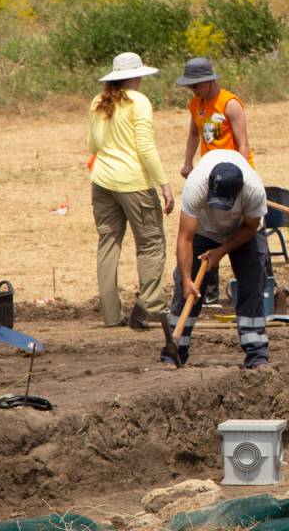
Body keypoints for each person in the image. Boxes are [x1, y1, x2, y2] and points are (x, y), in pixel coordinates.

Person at [90, 52, 174, 329]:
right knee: (151, 243)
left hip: (101, 181)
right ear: (135, 76)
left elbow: (94, 144)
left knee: (108, 243)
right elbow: (145, 146)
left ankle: (111, 314)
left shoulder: (98, 102)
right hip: (133, 182)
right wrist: (164, 183)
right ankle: (151, 306)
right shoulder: (139, 101)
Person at [165, 149, 269, 368]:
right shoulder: (196, 185)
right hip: (204, 230)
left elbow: (251, 227)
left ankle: (257, 354)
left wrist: (221, 251)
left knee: (252, 285)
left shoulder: (254, 190)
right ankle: (174, 352)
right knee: (187, 289)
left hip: (244, 230)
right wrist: (186, 279)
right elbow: (184, 238)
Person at [177, 56, 252, 173]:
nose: (192, 89)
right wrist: (187, 163)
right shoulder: (195, 103)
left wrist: (241, 173)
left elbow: (243, 144)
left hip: (233, 167)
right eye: (189, 86)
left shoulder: (230, 103)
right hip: (210, 168)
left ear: (209, 80)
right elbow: (194, 134)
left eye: (195, 85)